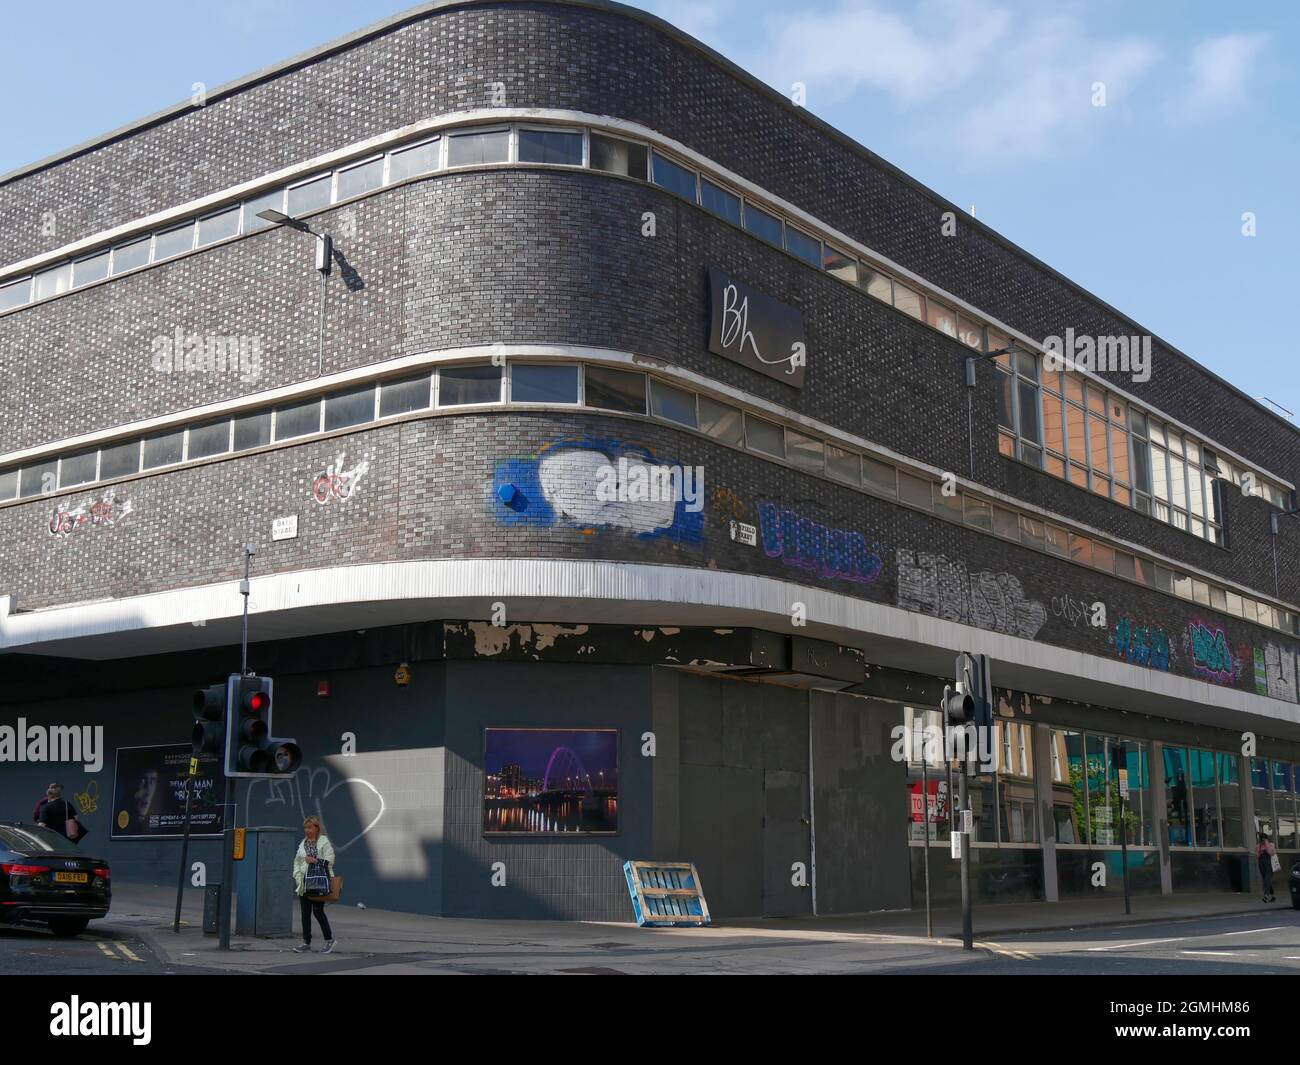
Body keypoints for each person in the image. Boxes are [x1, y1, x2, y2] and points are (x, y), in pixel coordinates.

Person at [292, 815, 337, 954]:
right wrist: (297, 875)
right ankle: (306, 943)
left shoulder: (324, 841)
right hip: (304, 883)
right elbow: (297, 861)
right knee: (305, 914)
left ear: (317, 828)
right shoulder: (302, 843)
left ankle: (329, 940)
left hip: (319, 882)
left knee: (318, 912)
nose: (307, 830)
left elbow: (330, 860)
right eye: (305, 828)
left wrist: (315, 860)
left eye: (310, 827)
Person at [1257, 830, 1278, 903]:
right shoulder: (1259, 846)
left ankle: (1266, 896)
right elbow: (1257, 856)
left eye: (1264, 838)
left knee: (1267, 879)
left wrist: (1266, 843)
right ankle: (1273, 896)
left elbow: (1270, 853)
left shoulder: (1271, 845)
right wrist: (1260, 850)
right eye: (1261, 839)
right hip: (1262, 864)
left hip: (1270, 864)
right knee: (1266, 880)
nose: (1262, 840)